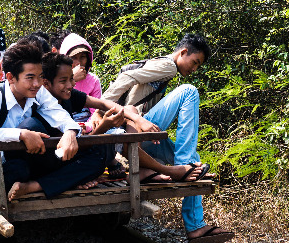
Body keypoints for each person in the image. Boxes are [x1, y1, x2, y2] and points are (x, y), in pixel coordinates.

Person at [102, 33, 234, 243]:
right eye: (195, 62)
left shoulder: (164, 69)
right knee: (189, 92)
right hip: (128, 127)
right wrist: (101, 107)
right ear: (183, 52)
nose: (194, 69)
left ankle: (196, 227)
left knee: (196, 163)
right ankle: (183, 167)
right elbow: (126, 78)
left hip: (132, 132)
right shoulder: (168, 66)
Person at [0, 40, 109, 200]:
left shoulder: (38, 91)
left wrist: (70, 131)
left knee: (102, 150)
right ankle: (68, 179)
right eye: (30, 78)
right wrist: (21, 134)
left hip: (42, 159)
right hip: (16, 163)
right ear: (11, 77)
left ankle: (35, 186)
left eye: (40, 77)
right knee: (27, 136)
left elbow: (57, 113)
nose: (36, 83)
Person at [41, 52, 208, 184]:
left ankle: (188, 167)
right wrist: (103, 125)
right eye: (64, 81)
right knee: (188, 92)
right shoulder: (42, 107)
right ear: (46, 83)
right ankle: (172, 170)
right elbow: (77, 149)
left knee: (129, 112)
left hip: (82, 149)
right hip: (60, 161)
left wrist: (138, 119)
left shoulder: (70, 94)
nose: (70, 85)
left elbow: (104, 103)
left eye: (71, 79)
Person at [59, 33, 102, 125]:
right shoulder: (56, 80)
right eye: (74, 58)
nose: (78, 63)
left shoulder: (93, 80)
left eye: (82, 57)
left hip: (89, 127)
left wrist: (86, 127)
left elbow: (95, 113)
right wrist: (72, 78)